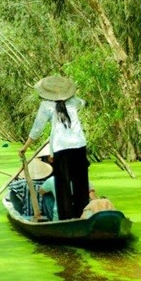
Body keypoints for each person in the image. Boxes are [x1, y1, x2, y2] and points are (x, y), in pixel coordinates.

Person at [19, 75, 88, 220]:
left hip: (61, 148)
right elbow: (84, 103)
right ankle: (82, 215)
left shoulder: (46, 105)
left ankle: (66, 219)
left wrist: (25, 147)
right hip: (79, 145)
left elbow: (37, 128)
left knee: (62, 186)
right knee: (81, 183)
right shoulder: (74, 101)